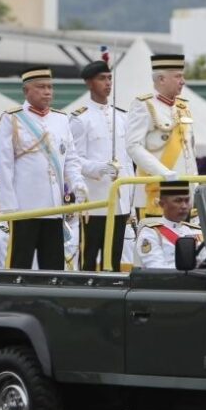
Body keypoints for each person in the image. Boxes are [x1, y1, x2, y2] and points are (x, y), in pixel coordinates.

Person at [0, 66, 87, 270]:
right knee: (20, 264)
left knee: (53, 266)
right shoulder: (12, 119)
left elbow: (70, 157)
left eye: (50, 87)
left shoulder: (61, 119)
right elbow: (3, 165)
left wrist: (77, 182)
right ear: (26, 91)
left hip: (54, 207)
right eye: (41, 87)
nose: (48, 92)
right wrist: (8, 207)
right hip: (24, 208)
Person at [71, 60, 134, 272]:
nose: (107, 83)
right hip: (95, 201)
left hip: (119, 201)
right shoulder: (81, 119)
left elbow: (128, 161)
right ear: (89, 83)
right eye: (101, 79)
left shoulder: (122, 117)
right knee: (89, 256)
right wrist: (99, 168)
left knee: (114, 257)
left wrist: (130, 199)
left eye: (109, 78)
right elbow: (73, 160)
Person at [125, 54, 196, 217]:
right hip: (157, 196)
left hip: (185, 197)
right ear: (162, 79)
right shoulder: (144, 105)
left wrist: (196, 186)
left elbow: (190, 152)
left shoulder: (183, 106)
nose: (183, 81)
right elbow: (133, 146)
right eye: (178, 76)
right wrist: (164, 174)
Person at [134, 182, 204, 269]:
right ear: (162, 204)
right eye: (178, 201)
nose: (184, 206)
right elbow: (157, 269)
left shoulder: (197, 230)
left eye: (187, 200)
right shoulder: (151, 233)